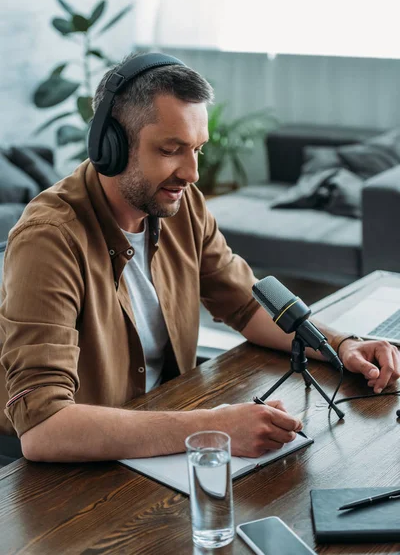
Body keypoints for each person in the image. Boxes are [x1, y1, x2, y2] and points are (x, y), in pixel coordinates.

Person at [0, 53, 399, 465]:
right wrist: (213, 427)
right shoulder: (49, 238)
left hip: (161, 437)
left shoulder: (179, 203)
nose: (191, 173)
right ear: (111, 147)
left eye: (197, 150)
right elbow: (43, 428)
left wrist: (341, 345)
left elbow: (246, 305)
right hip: (80, 470)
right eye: (171, 149)